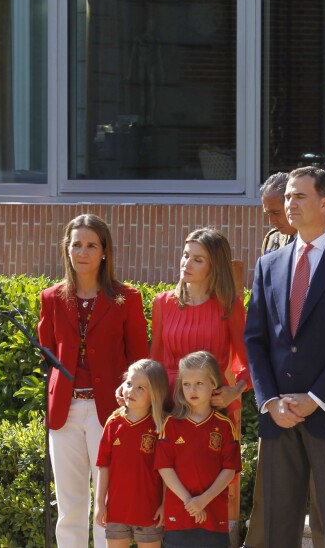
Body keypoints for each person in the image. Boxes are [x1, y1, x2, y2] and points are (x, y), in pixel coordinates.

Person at [245, 166, 325, 548]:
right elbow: (255, 339)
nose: (290, 204)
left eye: (299, 196)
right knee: (275, 527)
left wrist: (315, 399)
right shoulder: (268, 265)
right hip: (278, 418)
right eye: (287, 196)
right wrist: (269, 401)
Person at [38, 214, 149, 548]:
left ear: (104, 252)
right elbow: (46, 358)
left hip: (113, 412)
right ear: (67, 250)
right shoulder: (51, 298)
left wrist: (137, 411)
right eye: (76, 245)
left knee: (109, 507)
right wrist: (49, 403)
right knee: (70, 508)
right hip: (65, 413)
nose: (82, 252)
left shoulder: (127, 298)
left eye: (91, 245)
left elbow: (140, 360)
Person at [149, 227, 251, 525]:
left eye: (197, 259)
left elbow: (246, 361)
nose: (186, 264)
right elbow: (153, 360)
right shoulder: (162, 303)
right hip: (169, 407)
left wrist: (236, 389)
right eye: (185, 255)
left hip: (211, 409)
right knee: (162, 495)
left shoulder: (229, 305)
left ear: (214, 266)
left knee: (209, 498)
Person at [155, 351, 242, 548]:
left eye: (199, 384)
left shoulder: (225, 426)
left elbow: (230, 470)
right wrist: (189, 501)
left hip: (213, 516)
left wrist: (203, 500)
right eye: (186, 384)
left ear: (213, 384)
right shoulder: (171, 424)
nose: (192, 389)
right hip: (178, 516)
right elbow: (164, 467)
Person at [95, 359, 170, 547]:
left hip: (150, 511)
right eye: (129, 384)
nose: (131, 391)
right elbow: (103, 465)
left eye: (140, 388)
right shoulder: (113, 423)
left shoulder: (162, 426)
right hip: (116, 511)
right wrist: (99, 503)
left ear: (155, 394)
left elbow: (168, 471)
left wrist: (165, 503)